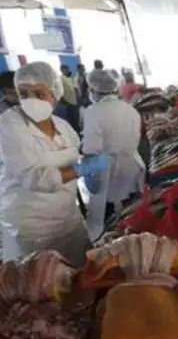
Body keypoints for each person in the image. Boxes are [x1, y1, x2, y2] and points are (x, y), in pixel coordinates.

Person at [0, 61, 109, 266]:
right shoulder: (9, 126)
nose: (31, 101)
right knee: (41, 285)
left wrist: (89, 163)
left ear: (55, 94)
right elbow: (33, 178)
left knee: (81, 273)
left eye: (40, 95)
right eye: (24, 94)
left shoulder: (63, 126)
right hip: (32, 225)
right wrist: (82, 169)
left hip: (68, 218)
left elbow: (74, 156)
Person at [82, 68, 144, 234]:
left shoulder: (93, 113)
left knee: (108, 223)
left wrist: (84, 172)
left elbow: (91, 151)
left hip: (108, 172)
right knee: (131, 215)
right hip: (133, 167)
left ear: (93, 90)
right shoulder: (130, 109)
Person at [58, 64, 80, 132]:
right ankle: (74, 132)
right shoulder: (61, 79)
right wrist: (63, 100)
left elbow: (75, 88)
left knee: (76, 118)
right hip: (67, 102)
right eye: (65, 69)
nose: (67, 70)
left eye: (67, 69)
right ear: (62, 70)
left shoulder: (71, 77)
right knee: (71, 119)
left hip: (74, 101)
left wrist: (78, 97)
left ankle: (78, 131)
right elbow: (60, 91)